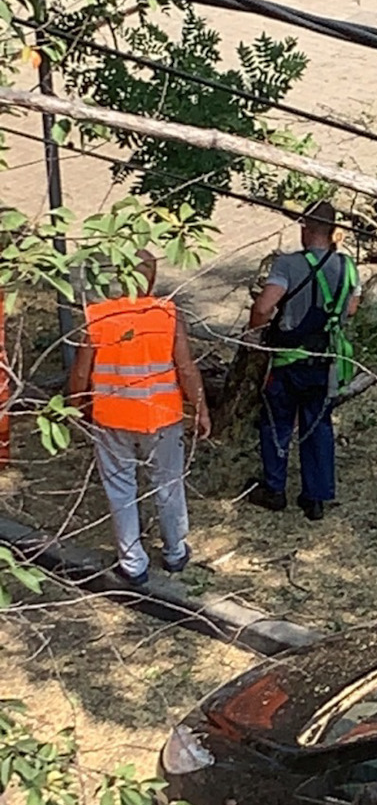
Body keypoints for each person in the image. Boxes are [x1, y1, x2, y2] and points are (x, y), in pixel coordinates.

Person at [69, 250, 210, 586]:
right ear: (153, 277)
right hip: (162, 417)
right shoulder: (167, 314)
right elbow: (186, 369)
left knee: (120, 488)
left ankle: (132, 562)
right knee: (168, 484)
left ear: (120, 275)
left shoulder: (98, 315)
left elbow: (80, 372)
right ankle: (175, 551)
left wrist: (74, 407)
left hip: (111, 418)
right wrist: (201, 408)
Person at [246, 199, 360, 521]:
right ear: (334, 232)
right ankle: (315, 498)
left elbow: (265, 306)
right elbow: (351, 308)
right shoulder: (348, 267)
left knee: (276, 421)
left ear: (305, 229)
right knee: (318, 425)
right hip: (325, 363)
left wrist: (254, 334)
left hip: (288, 361)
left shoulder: (288, 264)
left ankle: (274, 489)